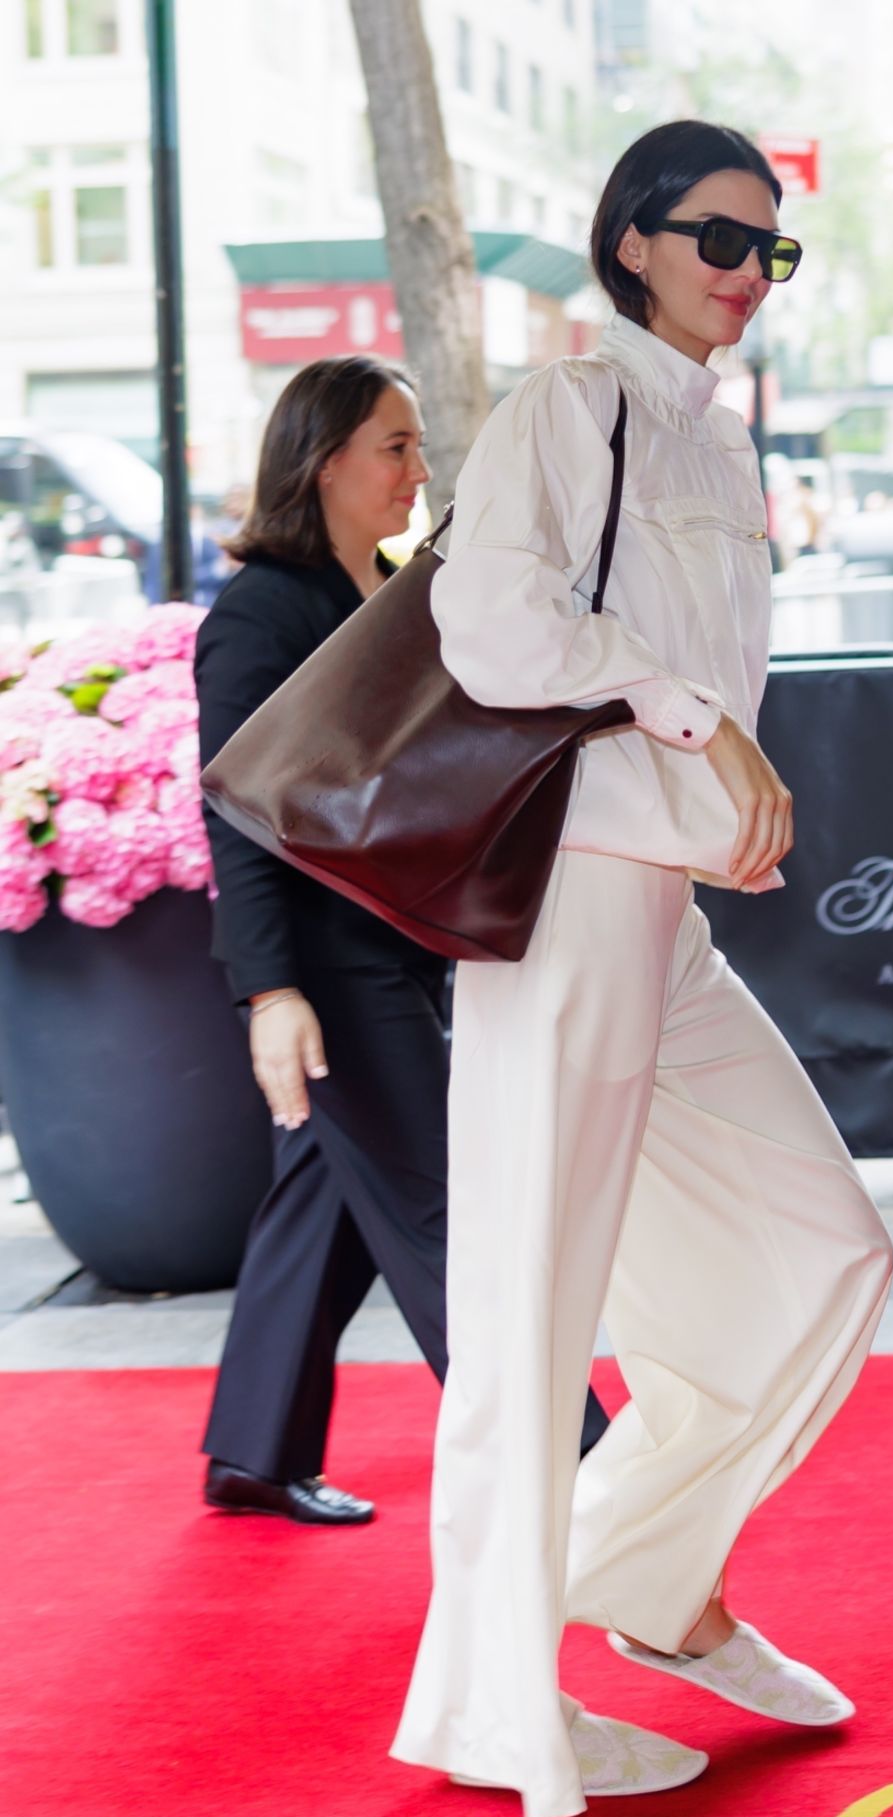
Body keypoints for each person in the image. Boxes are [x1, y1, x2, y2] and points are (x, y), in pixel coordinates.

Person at [390, 122, 893, 1817]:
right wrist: (696, 725)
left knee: (827, 1253)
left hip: (664, 915)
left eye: (770, 250)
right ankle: (491, 1706)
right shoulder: (569, 408)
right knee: (533, 1308)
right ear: (629, 242)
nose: (746, 276)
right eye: (715, 240)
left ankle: (649, 1585)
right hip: (566, 904)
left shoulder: (713, 436)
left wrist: (715, 766)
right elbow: (495, 627)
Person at [194, 354, 611, 1526]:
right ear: (324, 461)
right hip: (330, 967)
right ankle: (572, 1462)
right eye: (397, 446)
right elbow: (237, 815)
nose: (418, 470)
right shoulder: (258, 615)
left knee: (325, 1198)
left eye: (419, 447)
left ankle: (253, 1448)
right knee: (453, 1207)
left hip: (394, 945)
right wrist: (270, 991)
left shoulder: (381, 588)